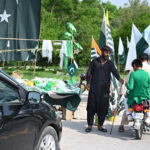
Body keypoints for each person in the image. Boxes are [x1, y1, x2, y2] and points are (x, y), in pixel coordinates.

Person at [85, 45, 124, 132]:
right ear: (102, 52)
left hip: (105, 91)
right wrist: (88, 83)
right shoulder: (95, 62)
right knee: (91, 107)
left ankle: (100, 125)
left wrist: (120, 79)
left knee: (103, 108)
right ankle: (90, 125)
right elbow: (89, 73)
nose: (107, 54)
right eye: (106, 52)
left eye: (109, 53)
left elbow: (115, 72)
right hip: (94, 89)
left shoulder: (110, 63)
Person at [119, 57, 150, 132]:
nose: (133, 68)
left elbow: (130, 86)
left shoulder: (133, 73)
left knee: (125, 98)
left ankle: (129, 114)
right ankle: (148, 116)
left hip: (134, 97)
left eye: (133, 67)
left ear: (135, 65)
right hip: (145, 96)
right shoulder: (146, 74)